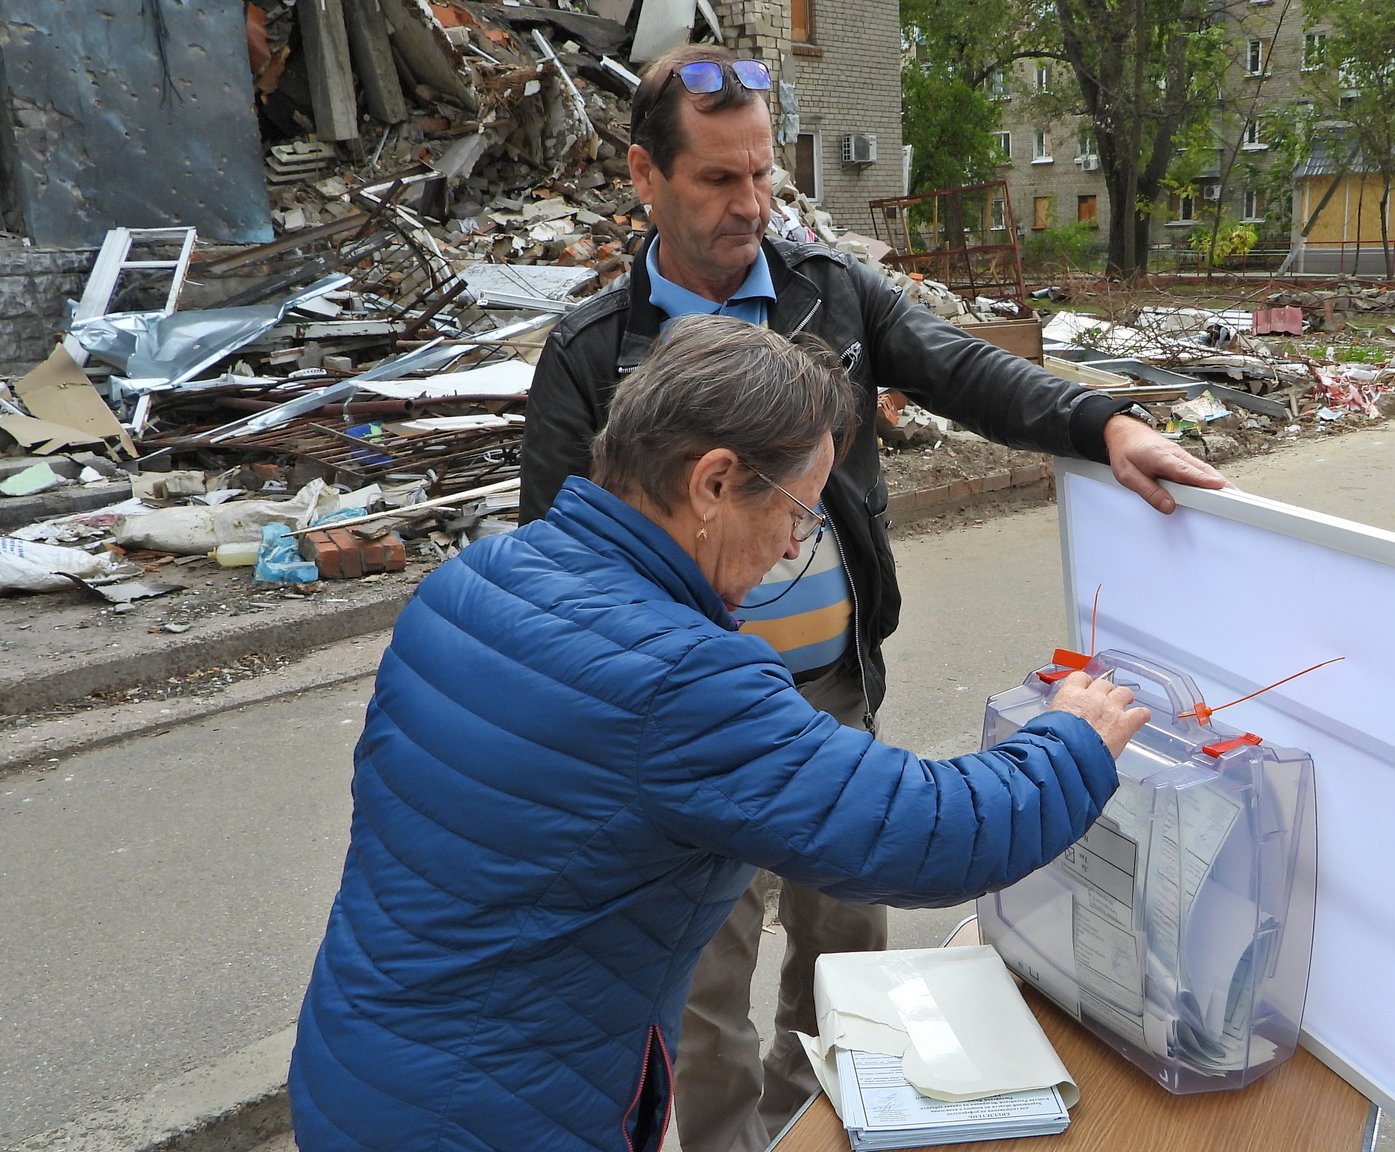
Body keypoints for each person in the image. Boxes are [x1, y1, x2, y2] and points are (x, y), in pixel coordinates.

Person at [516, 44, 1226, 1152]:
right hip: (687, 731)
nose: (750, 205)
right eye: (717, 179)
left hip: (830, 705)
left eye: (762, 174)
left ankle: (832, 1132)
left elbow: (964, 368)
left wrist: (1106, 423)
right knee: (704, 1006)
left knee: (848, 973)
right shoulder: (590, 351)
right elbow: (554, 562)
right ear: (644, 178)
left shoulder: (826, 292)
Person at [288, 317, 1150, 1152]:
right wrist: (1072, 739)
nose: (789, 548)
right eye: (797, 513)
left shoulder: (472, 582)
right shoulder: (682, 678)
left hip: (361, 1064)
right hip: (496, 1116)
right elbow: (928, 831)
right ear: (712, 483)